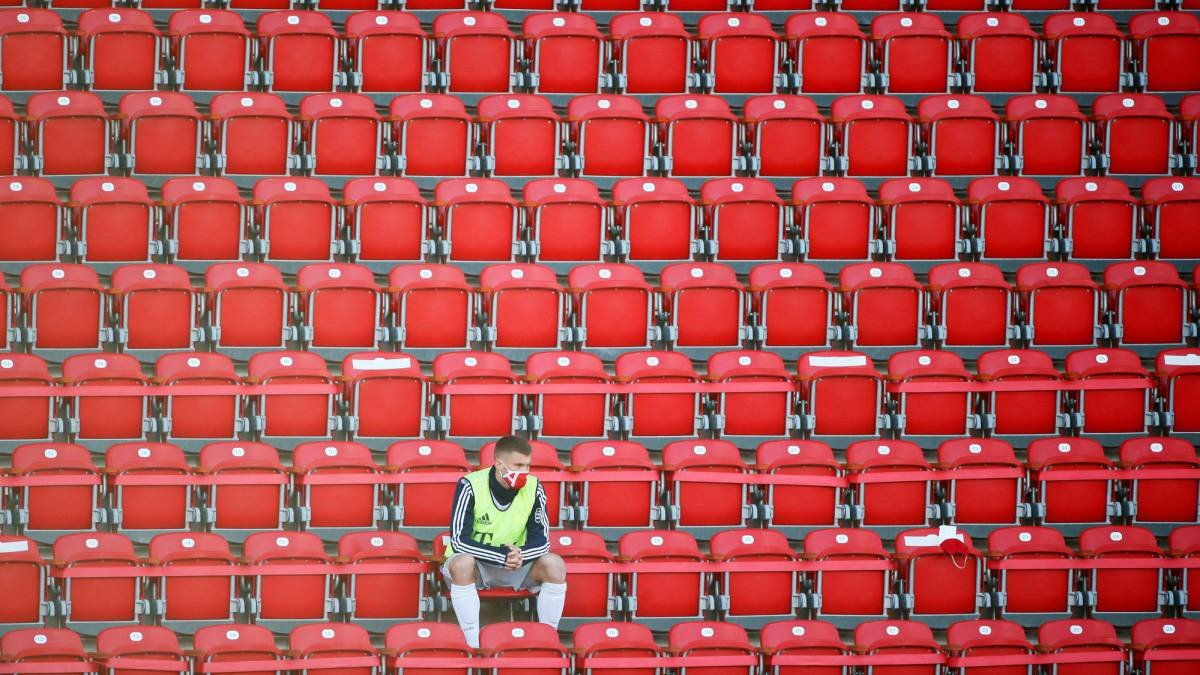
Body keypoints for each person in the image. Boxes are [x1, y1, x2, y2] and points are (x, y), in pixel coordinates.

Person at [443, 435, 567, 648]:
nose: (525, 472)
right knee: (462, 562)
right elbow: (459, 541)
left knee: (554, 563)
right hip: (476, 566)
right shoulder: (470, 485)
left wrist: (520, 556)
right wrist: (502, 556)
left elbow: (542, 540)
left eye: (528, 465)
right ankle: (472, 646)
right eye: (518, 465)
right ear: (499, 464)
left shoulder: (534, 487)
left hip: (515, 565)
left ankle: (549, 640)